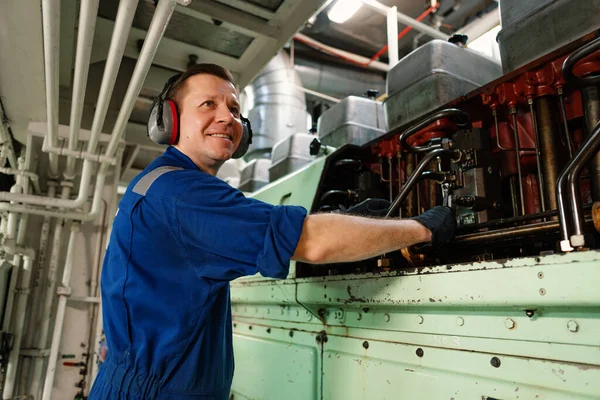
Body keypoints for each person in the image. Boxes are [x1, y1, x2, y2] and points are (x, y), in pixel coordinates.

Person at [89, 64, 456, 399]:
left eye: (234, 109)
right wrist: (422, 228)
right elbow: (312, 244)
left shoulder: (161, 183)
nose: (226, 117)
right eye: (207, 105)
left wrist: (342, 219)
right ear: (170, 121)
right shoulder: (184, 194)